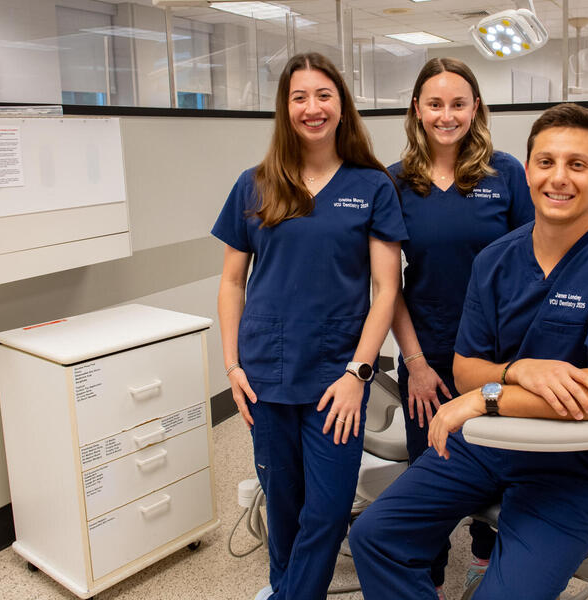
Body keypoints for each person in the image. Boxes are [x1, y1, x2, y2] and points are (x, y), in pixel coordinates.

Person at [349, 103, 588, 600]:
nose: (558, 178)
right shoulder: (496, 259)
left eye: (576, 165)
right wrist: (521, 370)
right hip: (487, 447)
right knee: (375, 537)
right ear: (528, 170)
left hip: (575, 466)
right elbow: (467, 368)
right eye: (546, 162)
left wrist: (485, 400)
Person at [212, 52, 406, 600]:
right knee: (284, 502)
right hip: (264, 372)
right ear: (285, 107)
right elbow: (231, 284)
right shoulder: (254, 185)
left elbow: (386, 289)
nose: (312, 107)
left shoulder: (370, 185)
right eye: (300, 97)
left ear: (341, 105)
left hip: (337, 377)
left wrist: (358, 373)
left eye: (324, 95)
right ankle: (288, 588)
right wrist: (231, 364)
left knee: (325, 508)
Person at [386, 57, 534, 597]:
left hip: (499, 354)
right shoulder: (395, 182)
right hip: (428, 353)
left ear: (476, 108)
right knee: (429, 464)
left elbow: (532, 265)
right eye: (435, 104)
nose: (446, 115)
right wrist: (418, 364)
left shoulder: (506, 174)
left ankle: (485, 553)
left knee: (500, 457)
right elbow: (388, 286)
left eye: (458, 103)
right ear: (417, 111)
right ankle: (424, 572)